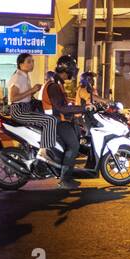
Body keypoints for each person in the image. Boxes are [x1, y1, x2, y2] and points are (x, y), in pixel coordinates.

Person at [5, 52, 61, 166]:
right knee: (50, 121)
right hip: (19, 111)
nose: (32, 64)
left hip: (26, 108)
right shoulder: (17, 77)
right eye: (29, 62)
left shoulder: (25, 76)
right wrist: (32, 90)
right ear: (21, 64)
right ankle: (43, 152)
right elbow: (13, 97)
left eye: (33, 61)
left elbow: (26, 96)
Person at [43, 57, 88, 189]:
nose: (73, 73)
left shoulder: (57, 83)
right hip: (57, 122)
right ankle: (64, 179)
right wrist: (82, 108)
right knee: (73, 146)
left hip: (60, 119)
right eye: (72, 70)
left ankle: (66, 173)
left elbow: (63, 103)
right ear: (66, 69)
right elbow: (61, 108)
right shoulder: (54, 85)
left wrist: (74, 106)